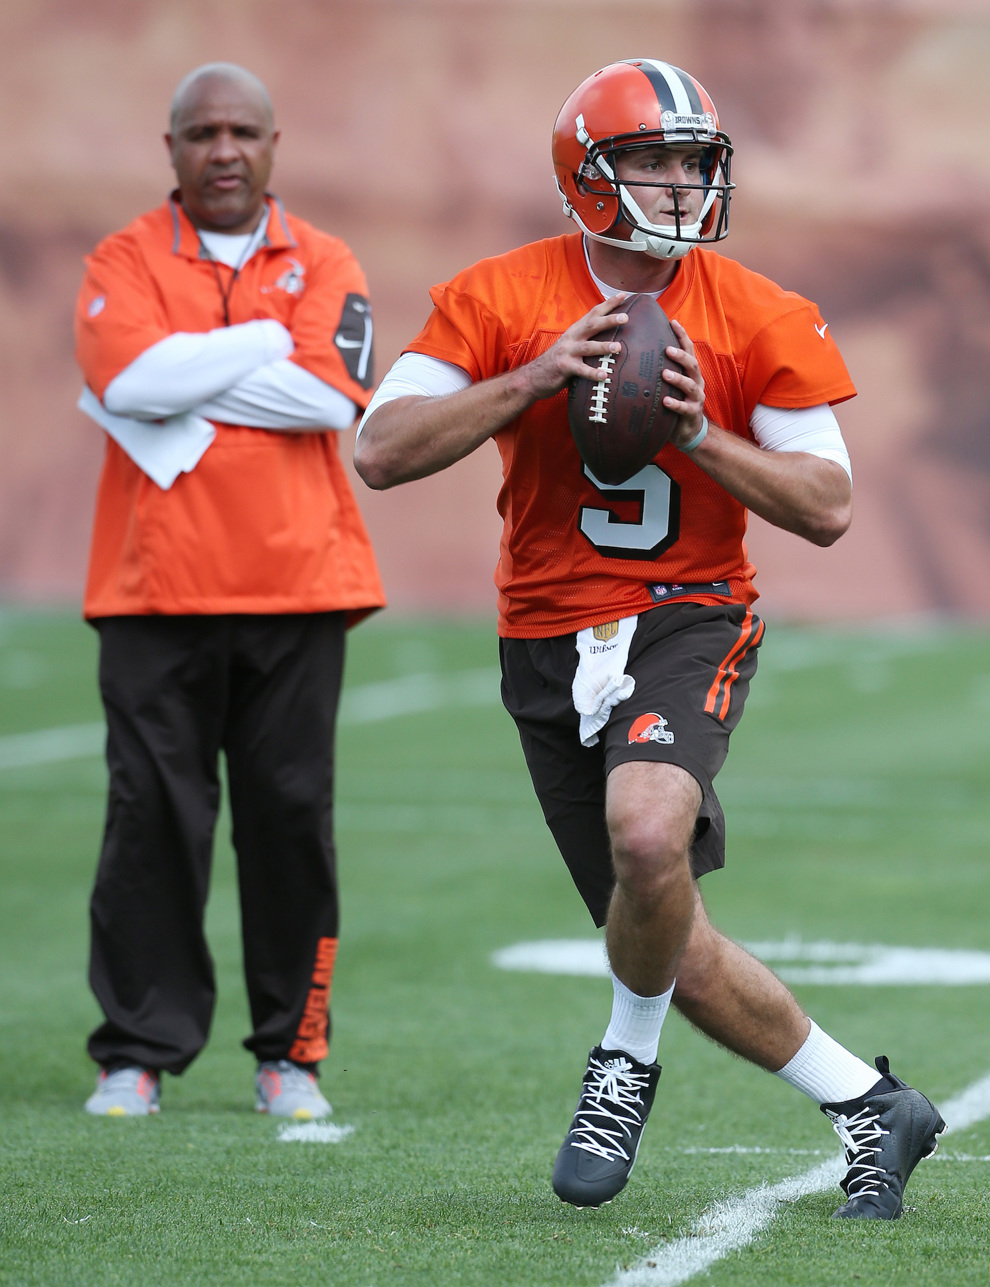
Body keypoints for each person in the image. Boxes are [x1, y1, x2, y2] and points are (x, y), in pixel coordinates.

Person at [354, 59, 945, 1218]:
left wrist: (693, 434)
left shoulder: (755, 311)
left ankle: (622, 1058)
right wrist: (532, 378)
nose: (679, 185)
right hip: (544, 633)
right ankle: (873, 1108)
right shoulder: (496, 295)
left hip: (689, 613)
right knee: (668, 923)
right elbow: (381, 449)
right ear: (585, 175)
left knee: (643, 834)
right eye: (651, 162)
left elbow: (824, 506)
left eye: (693, 162)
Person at [75, 63, 384, 1119]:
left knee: (290, 820)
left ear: (271, 144)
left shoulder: (328, 258)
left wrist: (190, 364)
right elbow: (123, 384)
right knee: (150, 821)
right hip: (151, 591)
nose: (222, 150)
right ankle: (136, 1054)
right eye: (200, 132)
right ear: (169, 148)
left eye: (241, 131)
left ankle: (289, 1056)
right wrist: (258, 345)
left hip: (299, 587)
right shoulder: (121, 256)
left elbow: (326, 396)